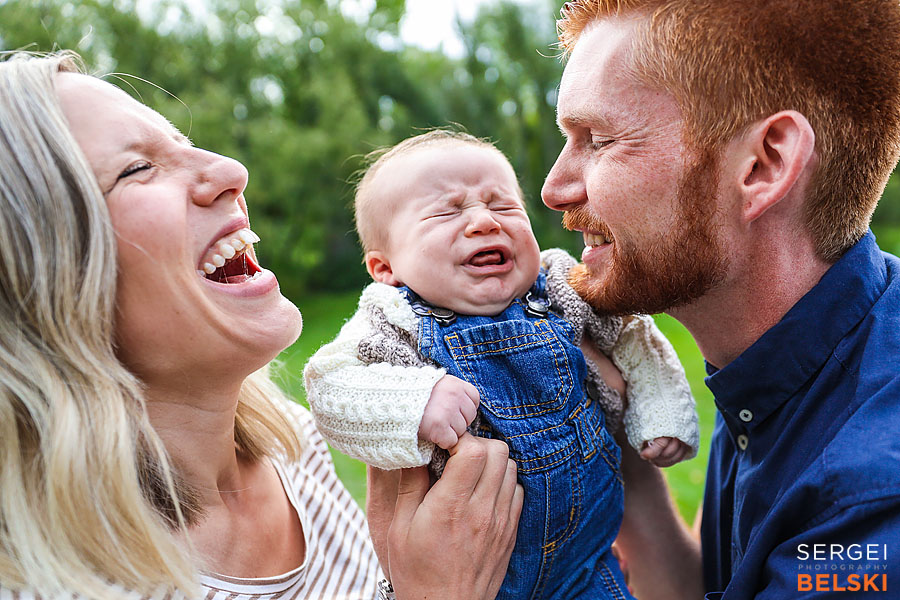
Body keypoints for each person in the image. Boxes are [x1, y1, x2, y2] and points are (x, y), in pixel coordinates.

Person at [0, 50, 522, 600]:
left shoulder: (296, 447)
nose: (230, 170)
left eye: (183, 141)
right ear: (38, 284)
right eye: (138, 168)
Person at [541, 1, 900, 598]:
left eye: (599, 141)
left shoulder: (866, 500)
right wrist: (611, 431)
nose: (554, 189)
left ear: (763, 165)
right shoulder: (777, 364)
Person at [304, 130, 699, 599]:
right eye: (447, 212)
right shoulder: (393, 321)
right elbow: (329, 385)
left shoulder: (560, 287)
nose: (483, 222)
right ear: (386, 269)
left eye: (505, 206)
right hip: (478, 575)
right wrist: (416, 402)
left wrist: (661, 412)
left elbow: (634, 338)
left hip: (587, 568)